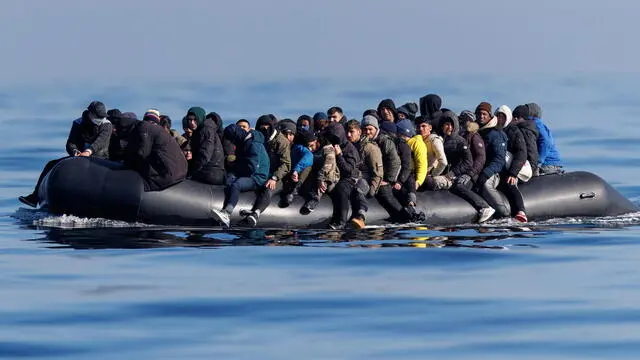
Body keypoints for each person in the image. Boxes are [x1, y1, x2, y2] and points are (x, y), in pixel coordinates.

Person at [19, 101, 112, 207]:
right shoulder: (78, 123)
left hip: (100, 158)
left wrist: (88, 151)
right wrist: (75, 151)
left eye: (102, 117)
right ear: (90, 114)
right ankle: (34, 197)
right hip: (79, 158)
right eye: (97, 117)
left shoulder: (107, 125)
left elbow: (101, 141)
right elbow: (71, 143)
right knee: (50, 164)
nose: (100, 119)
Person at [428, 111, 496, 223]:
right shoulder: (442, 140)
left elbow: (471, 161)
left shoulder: (464, 140)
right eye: (446, 124)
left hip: (467, 174)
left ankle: (484, 207)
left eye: (451, 124)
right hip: (452, 173)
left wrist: (458, 174)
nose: (449, 127)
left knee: (458, 186)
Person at [210, 124, 270, 227]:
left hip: (258, 177)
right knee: (229, 178)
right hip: (248, 172)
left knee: (237, 184)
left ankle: (227, 213)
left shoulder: (253, 144)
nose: (233, 141)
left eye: (232, 138)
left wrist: (238, 170)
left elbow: (252, 167)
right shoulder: (243, 142)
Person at [239, 115, 291, 226]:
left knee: (268, 189)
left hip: (277, 177)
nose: (265, 130)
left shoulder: (281, 141)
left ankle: (256, 213)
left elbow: (286, 164)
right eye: (262, 128)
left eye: (267, 128)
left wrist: (275, 177)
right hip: (260, 172)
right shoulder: (258, 138)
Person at [121, 109, 188, 192]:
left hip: (167, 174)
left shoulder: (145, 128)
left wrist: (128, 163)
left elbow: (142, 153)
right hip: (179, 172)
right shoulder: (161, 134)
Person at [345, 120, 383, 228]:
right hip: (351, 177)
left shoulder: (370, 148)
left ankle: (361, 217)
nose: (348, 135)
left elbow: (378, 172)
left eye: (351, 132)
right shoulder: (346, 147)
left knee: (358, 189)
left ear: (359, 132)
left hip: (366, 179)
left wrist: (372, 191)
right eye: (347, 132)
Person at [474, 102, 509, 219]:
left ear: (489, 116)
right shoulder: (476, 132)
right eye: (478, 114)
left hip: (494, 172)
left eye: (484, 114)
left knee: (485, 184)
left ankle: (504, 213)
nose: (481, 116)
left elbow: (499, 160)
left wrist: (485, 174)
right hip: (478, 169)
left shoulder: (496, 134)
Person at [497, 105, 530, 222]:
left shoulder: (514, 132)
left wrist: (513, 173)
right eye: (498, 116)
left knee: (510, 184)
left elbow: (521, 153)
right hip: (499, 167)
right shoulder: (494, 131)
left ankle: (521, 211)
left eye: (503, 117)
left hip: (512, 167)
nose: (500, 119)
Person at [327, 122, 362, 229]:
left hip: (350, 178)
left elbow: (349, 171)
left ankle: (341, 221)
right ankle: (334, 218)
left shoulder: (350, 149)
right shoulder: (331, 146)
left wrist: (339, 155)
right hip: (337, 176)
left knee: (341, 189)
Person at [186, 107, 226, 185]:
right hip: (210, 171)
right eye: (190, 120)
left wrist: (192, 172)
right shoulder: (198, 131)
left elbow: (205, 153)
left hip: (210, 172)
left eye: (195, 120)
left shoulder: (206, 129)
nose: (192, 123)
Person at [280, 130, 318, 207]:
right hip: (299, 180)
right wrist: (296, 170)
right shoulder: (302, 148)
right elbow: (308, 157)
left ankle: (292, 192)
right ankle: (294, 190)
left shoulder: (294, 147)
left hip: (290, 178)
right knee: (308, 167)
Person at [526, 103, 563, 175]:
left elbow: (546, 142)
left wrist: (539, 162)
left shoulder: (536, 124)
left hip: (548, 163)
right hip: (550, 163)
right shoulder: (537, 124)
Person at [512, 105, 539, 177]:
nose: (514, 119)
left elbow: (531, 151)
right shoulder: (527, 128)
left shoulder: (525, 131)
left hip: (528, 166)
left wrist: (531, 169)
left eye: (516, 117)